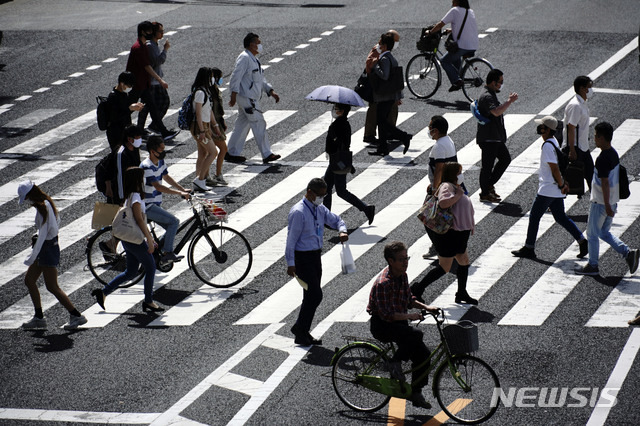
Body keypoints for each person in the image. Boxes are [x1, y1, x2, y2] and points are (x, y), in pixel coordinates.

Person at [367, 241, 440, 409]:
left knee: (423, 354)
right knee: (415, 334)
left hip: (398, 323)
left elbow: (409, 299)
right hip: (382, 326)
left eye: (406, 258)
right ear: (390, 261)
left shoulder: (402, 275)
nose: (405, 262)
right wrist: (410, 315)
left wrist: (426, 307)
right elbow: (387, 315)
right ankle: (394, 362)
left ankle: (416, 392)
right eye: (401, 259)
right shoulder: (383, 283)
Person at [512, 116, 588, 259]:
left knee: (534, 216)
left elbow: (554, 169)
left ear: (547, 130)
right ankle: (582, 241)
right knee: (560, 217)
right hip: (555, 189)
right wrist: (562, 185)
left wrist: (561, 185)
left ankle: (529, 248)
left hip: (548, 189)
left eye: (541, 126)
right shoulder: (553, 142)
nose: (539, 128)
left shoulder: (547, 146)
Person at [286, 178, 348, 346]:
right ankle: (300, 329)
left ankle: (302, 330)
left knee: (310, 295)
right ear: (309, 192)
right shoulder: (298, 212)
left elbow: (336, 220)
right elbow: (291, 241)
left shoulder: (319, 209)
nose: (322, 198)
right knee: (315, 294)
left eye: (324, 195)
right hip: (302, 259)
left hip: (315, 257)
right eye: (320, 195)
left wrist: (342, 231)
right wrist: (290, 263)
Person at [92, 167, 164, 312]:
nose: (144, 180)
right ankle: (148, 301)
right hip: (135, 240)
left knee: (130, 272)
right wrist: (149, 239)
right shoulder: (136, 197)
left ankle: (104, 292)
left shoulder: (129, 196)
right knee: (151, 268)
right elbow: (139, 219)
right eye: (142, 177)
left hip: (127, 238)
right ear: (137, 180)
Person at [18, 180, 87, 330]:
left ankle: (76, 315)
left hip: (46, 248)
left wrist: (31, 257)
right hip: (49, 246)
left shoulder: (43, 207)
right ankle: (39, 317)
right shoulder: (47, 202)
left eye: (27, 198)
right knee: (30, 280)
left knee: (52, 286)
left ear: (31, 195)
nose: (27, 202)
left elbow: (43, 235)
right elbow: (53, 225)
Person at [575, 122, 639, 276]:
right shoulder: (613, 153)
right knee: (603, 232)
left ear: (602, 138)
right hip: (612, 201)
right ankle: (628, 253)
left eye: (596, 136)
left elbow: (604, 182)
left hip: (601, 203)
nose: (594, 139)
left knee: (591, 234)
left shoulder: (602, 158)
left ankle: (593, 265)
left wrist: (607, 205)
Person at [411, 162, 478, 305]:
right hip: (450, 235)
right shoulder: (447, 186)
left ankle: (461, 293)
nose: (461, 175)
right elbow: (443, 203)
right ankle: (417, 289)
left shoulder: (455, 187)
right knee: (445, 267)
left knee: (464, 262)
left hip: (459, 233)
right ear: (453, 174)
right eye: (459, 172)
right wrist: (459, 195)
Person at [226, 32, 281, 164]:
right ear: (251, 45)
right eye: (258, 42)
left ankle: (230, 153)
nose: (260, 45)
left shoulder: (254, 59)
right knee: (259, 122)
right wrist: (233, 96)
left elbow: (260, 80)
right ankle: (267, 154)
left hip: (248, 97)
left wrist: (270, 91)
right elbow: (235, 77)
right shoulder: (244, 58)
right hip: (247, 98)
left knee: (242, 125)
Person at [140, 135, 192, 263]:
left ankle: (159, 251)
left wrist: (183, 189)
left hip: (155, 204)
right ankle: (168, 252)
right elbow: (159, 186)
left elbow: (166, 177)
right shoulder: (146, 166)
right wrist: (179, 192)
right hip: (146, 206)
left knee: (171, 225)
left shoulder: (160, 162)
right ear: (153, 151)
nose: (163, 152)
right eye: (161, 150)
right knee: (174, 222)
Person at [323, 103, 375, 225]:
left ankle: (366, 208)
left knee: (340, 191)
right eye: (335, 109)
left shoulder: (341, 124)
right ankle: (326, 217)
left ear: (343, 111)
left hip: (338, 161)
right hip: (336, 160)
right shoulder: (340, 123)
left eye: (337, 109)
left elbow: (342, 143)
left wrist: (333, 135)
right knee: (326, 187)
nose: (335, 111)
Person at [126, 21, 178, 141]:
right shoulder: (138, 47)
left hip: (144, 83)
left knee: (152, 108)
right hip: (138, 83)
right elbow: (147, 66)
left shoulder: (144, 46)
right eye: (149, 31)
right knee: (127, 108)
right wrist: (160, 80)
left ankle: (163, 132)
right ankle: (121, 127)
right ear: (143, 32)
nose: (151, 33)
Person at [476, 68, 518, 203]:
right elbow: (495, 112)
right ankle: (484, 192)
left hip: (494, 136)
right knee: (487, 166)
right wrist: (509, 101)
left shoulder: (490, 93)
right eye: (500, 82)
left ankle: (488, 185)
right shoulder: (487, 96)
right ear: (493, 82)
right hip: (489, 138)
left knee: (505, 159)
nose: (501, 84)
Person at [368, 32, 412, 157]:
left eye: (380, 43)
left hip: (385, 95)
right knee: (381, 122)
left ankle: (404, 136)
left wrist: (375, 66)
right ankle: (383, 148)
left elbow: (385, 75)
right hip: (389, 95)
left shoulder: (385, 58)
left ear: (385, 45)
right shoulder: (390, 57)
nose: (378, 45)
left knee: (381, 120)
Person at [423, 115, 459, 260]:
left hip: (442, 188)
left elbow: (439, 169)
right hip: (451, 185)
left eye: (430, 128)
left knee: (428, 218)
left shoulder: (438, 146)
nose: (428, 130)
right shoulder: (448, 140)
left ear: (436, 130)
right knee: (444, 219)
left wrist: (434, 189)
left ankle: (438, 247)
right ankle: (445, 246)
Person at [424, 0, 479, 91]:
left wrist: (430, 32)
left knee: (444, 61)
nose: (452, 2)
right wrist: (451, 30)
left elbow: (440, 24)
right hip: (473, 45)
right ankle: (459, 77)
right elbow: (466, 28)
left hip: (463, 46)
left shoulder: (454, 10)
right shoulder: (470, 11)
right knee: (454, 55)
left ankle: (456, 81)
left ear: (457, 1)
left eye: (453, 0)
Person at [189, 67, 224, 191]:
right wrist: (202, 131)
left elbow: (208, 111)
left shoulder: (205, 91)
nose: (212, 79)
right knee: (213, 152)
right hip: (200, 127)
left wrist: (215, 126)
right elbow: (198, 113)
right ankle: (200, 180)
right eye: (210, 76)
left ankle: (199, 179)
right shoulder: (200, 93)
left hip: (206, 126)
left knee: (203, 153)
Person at [363, 29, 400, 146]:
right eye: (396, 41)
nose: (397, 44)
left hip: (383, 87)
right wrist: (376, 65)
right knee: (375, 110)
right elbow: (370, 66)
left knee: (389, 108)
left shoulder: (385, 52)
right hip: (376, 86)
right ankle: (370, 135)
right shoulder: (378, 51)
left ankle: (388, 133)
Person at [563, 75, 595, 192]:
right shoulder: (575, 106)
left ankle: (598, 203)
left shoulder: (582, 103)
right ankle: (553, 203)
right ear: (582, 88)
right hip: (576, 148)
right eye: (589, 87)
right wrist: (572, 150)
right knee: (571, 178)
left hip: (583, 147)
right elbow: (571, 128)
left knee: (591, 177)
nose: (590, 90)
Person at [145, 22, 177, 137]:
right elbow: (157, 61)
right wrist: (165, 50)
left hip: (155, 80)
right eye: (160, 31)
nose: (162, 33)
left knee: (152, 105)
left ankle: (152, 126)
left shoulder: (154, 44)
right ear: (153, 32)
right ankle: (154, 126)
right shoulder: (150, 45)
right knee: (162, 102)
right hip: (154, 81)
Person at [105, 71, 144, 152]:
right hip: (116, 132)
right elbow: (115, 117)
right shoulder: (113, 97)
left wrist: (133, 107)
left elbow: (124, 111)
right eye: (129, 85)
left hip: (125, 130)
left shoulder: (123, 94)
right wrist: (129, 109)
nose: (130, 88)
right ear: (122, 84)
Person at [115, 125, 144, 204]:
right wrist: (122, 198)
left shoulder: (135, 149)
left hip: (133, 187)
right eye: (137, 138)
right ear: (129, 139)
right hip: (123, 190)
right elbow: (120, 176)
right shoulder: (121, 153)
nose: (140, 140)